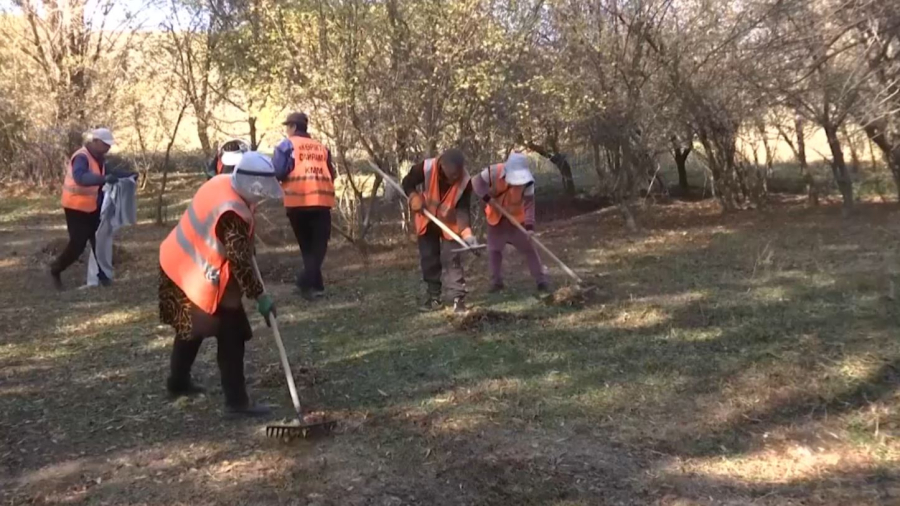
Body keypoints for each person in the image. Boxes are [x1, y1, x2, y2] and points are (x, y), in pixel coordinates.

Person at [158, 152, 282, 417]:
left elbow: (240, 251)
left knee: (190, 328)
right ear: (253, 187)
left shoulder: (223, 182)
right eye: (261, 192)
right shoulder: (232, 213)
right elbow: (239, 261)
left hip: (178, 259)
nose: (262, 197)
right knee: (231, 333)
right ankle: (236, 403)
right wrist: (260, 297)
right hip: (195, 271)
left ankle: (177, 383)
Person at [51, 128, 134, 290]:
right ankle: (56, 269)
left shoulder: (99, 158)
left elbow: (110, 172)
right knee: (77, 246)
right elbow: (81, 177)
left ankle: (103, 277)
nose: (108, 148)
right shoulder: (81, 157)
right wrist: (103, 179)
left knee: (99, 242)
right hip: (76, 208)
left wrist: (129, 175)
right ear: (95, 142)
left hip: (93, 207)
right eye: (105, 144)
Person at [401, 148, 476, 312]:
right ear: (442, 164)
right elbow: (407, 182)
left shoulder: (465, 181)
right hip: (427, 218)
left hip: (450, 223)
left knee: (453, 259)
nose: (455, 178)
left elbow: (463, 209)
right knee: (429, 258)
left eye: (458, 174)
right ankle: (434, 297)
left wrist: (467, 233)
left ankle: (458, 299)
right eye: (452, 175)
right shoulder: (426, 167)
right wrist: (413, 196)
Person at [273, 112, 336, 300]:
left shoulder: (286, 146)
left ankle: (307, 283)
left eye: (287, 126)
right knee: (318, 247)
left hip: (297, 203)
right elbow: (331, 174)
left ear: (293, 127)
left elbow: (278, 171)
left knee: (307, 247)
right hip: (322, 203)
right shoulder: (321, 148)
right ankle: (315, 286)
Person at [472, 153, 550, 293]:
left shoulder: (528, 183)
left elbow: (529, 205)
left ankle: (541, 281)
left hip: (516, 220)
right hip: (495, 219)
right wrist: (488, 198)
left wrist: (530, 227)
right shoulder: (493, 172)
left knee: (529, 248)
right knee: (494, 250)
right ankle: (496, 283)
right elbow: (476, 183)